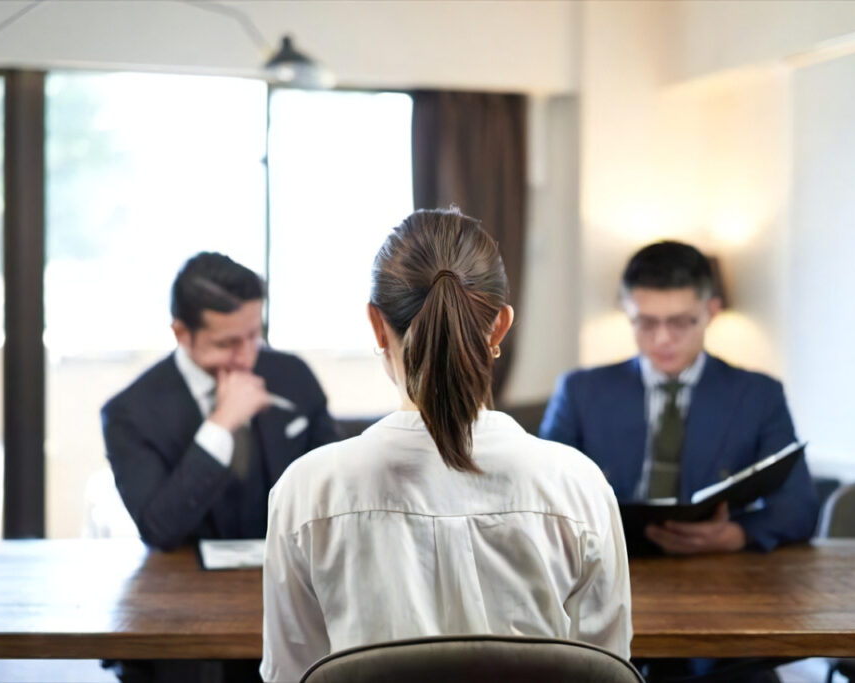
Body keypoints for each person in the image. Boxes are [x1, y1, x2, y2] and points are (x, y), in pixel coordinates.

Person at [260, 208, 632, 682]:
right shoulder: (578, 485)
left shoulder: (306, 490)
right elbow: (605, 670)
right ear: (500, 327)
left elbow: (292, 676)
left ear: (377, 325)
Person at [540, 240, 818, 555]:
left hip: (719, 573)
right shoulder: (580, 391)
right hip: (601, 562)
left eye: (681, 322)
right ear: (627, 311)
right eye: (646, 323)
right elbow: (542, 495)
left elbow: (800, 508)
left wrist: (736, 535)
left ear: (711, 311)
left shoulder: (759, 394)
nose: (662, 339)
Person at [103, 252, 338, 551]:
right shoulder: (129, 414)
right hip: (187, 584)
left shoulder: (293, 374)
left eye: (253, 335)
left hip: (294, 569)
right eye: (226, 344)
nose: (246, 357)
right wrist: (221, 423)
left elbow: (333, 485)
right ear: (182, 333)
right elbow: (158, 529)